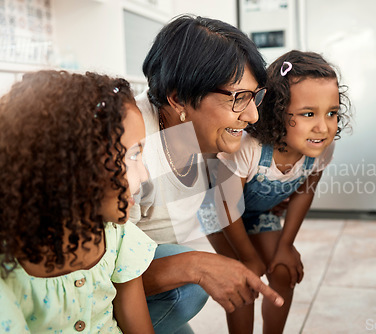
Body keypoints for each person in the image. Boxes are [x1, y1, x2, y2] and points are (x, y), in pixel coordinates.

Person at [130, 15, 284, 333]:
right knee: (187, 288)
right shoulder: (131, 147)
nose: (253, 115)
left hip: (144, 287)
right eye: (238, 97)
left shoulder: (202, 135)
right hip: (86, 302)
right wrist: (197, 267)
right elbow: (97, 271)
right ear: (178, 97)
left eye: (255, 96)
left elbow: (207, 211)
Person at [206, 50, 352, 333]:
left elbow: (304, 192)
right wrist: (248, 258)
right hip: (220, 216)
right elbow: (226, 207)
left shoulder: (320, 149)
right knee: (245, 280)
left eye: (332, 113)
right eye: (308, 113)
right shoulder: (247, 148)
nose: (323, 127)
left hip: (256, 213)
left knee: (283, 273)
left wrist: (286, 245)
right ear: (276, 110)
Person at [0, 70, 156, 333]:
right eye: (132, 156)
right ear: (72, 165)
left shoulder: (117, 235)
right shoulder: (8, 268)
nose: (144, 175)